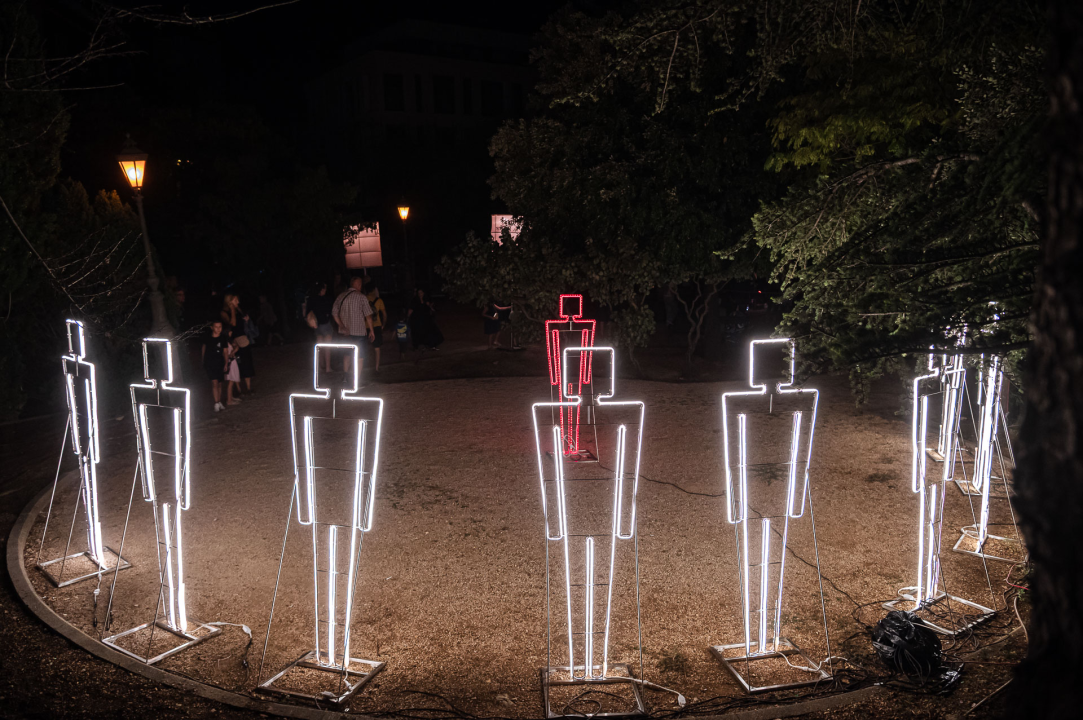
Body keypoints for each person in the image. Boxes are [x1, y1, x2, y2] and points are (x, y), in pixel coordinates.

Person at [332, 275, 375, 376]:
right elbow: (368, 316)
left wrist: (341, 325)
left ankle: (346, 377)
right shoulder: (361, 297)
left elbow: (334, 313)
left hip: (345, 332)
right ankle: (357, 379)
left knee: (347, 355)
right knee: (359, 356)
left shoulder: (341, 296)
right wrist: (372, 330)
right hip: (359, 332)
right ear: (358, 285)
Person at [221, 294, 256, 394]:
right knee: (236, 364)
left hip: (243, 339)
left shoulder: (239, 311)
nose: (238, 302)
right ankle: (238, 389)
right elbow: (232, 324)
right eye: (236, 300)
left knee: (247, 362)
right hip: (233, 340)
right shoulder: (225, 312)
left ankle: (248, 387)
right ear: (230, 301)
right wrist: (232, 310)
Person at [201, 321, 230, 412]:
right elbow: (204, 348)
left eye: (220, 327)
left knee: (220, 383)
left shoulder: (223, 338)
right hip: (210, 363)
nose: (218, 329)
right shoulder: (207, 337)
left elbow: (225, 351)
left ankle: (219, 401)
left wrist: (226, 363)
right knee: (214, 383)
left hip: (219, 362)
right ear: (212, 327)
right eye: (216, 327)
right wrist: (203, 360)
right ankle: (216, 402)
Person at [306, 282, 335, 372]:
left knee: (320, 347)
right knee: (327, 347)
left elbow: (308, 312)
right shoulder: (325, 300)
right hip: (325, 324)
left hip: (316, 326)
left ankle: (320, 365)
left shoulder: (311, 299)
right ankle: (328, 367)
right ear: (322, 289)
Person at [364, 280, 388, 372]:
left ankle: (365, 365)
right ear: (374, 290)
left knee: (365, 346)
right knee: (377, 348)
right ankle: (376, 367)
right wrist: (383, 324)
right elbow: (384, 314)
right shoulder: (379, 300)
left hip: (365, 326)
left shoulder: (364, 299)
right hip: (376, 325)